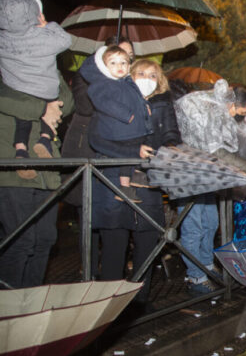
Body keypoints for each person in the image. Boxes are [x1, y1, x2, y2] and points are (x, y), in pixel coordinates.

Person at [87, 60, 180, 311]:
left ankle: (139, 300)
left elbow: (172, 133)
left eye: (153, 75)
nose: (147, 78)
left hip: (149, 182)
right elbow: (96, 139)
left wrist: (171, 149)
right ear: (130, 76)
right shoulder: (113, 100)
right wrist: (131, 151)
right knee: (114, 244)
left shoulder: (163, 103)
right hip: (117, 182)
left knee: (148, 243)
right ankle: (107, 304)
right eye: (141, 73)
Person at [174, 81, 246, 294]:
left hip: (208, 176)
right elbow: (217, 151)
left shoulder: (226, 113)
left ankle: (206, 265)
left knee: (210, 222)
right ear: (232, 105)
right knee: (194, 225)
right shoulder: (211, 113)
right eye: (242, 113)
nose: (242, 119)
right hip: (190, 173)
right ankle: (195, 277)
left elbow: (244, 136)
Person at [62, 36, 135, 278]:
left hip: (117, 157)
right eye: (119, 58)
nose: (124, 65)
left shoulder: (128, 84)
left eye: (129, 59)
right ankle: (89, 271)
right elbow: (84, 106)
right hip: (88, 153)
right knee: (89, 213)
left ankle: (113, 274)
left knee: (116, 216)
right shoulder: (88, 78)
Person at [0, 75, 73, 288]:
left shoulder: (43, 65)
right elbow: (7, 100)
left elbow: (67, 104)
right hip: (11, 168)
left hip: (46, 170)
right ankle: (8, 311)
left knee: (45, 239)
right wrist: (44, 107)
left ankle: (29, 304)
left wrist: (49, 68)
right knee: (20, 241)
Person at [0, 0, 72, 178]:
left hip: (19, 86)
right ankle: (45, 139)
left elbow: (68, 104)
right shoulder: (43, 38)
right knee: (51, 106)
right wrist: (49, 25)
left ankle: (21, 150)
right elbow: (65, 40)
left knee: (22, 121)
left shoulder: (3, 41)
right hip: (45, 89)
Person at [82, 45, 153, 203]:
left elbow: (138, 98)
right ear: (104, 67)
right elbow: (103, 101)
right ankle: (126, 184)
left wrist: (146, 108)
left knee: (134, 153)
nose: (119, 67)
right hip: (119, 130)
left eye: (123, 63)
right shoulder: (103, 83)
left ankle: (128, 185)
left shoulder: (128, 83)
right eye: (113, 63)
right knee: (128, 153)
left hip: (133, 129)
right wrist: (125, 114)